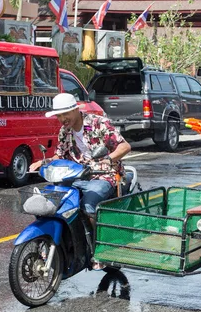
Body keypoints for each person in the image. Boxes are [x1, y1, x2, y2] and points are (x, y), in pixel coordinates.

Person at [29, 93, 131, 224]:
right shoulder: (65, 131)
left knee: (87, 206)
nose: (62, 119)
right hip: (76, 175)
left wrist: (108, 159)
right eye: (59, 115)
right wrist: (43, 162)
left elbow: (124, 146)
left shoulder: (98, 123)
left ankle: (93, 243)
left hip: (103, 175)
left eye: (66, 113)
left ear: (76, 110)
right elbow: (59, 155)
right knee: (52, 202)